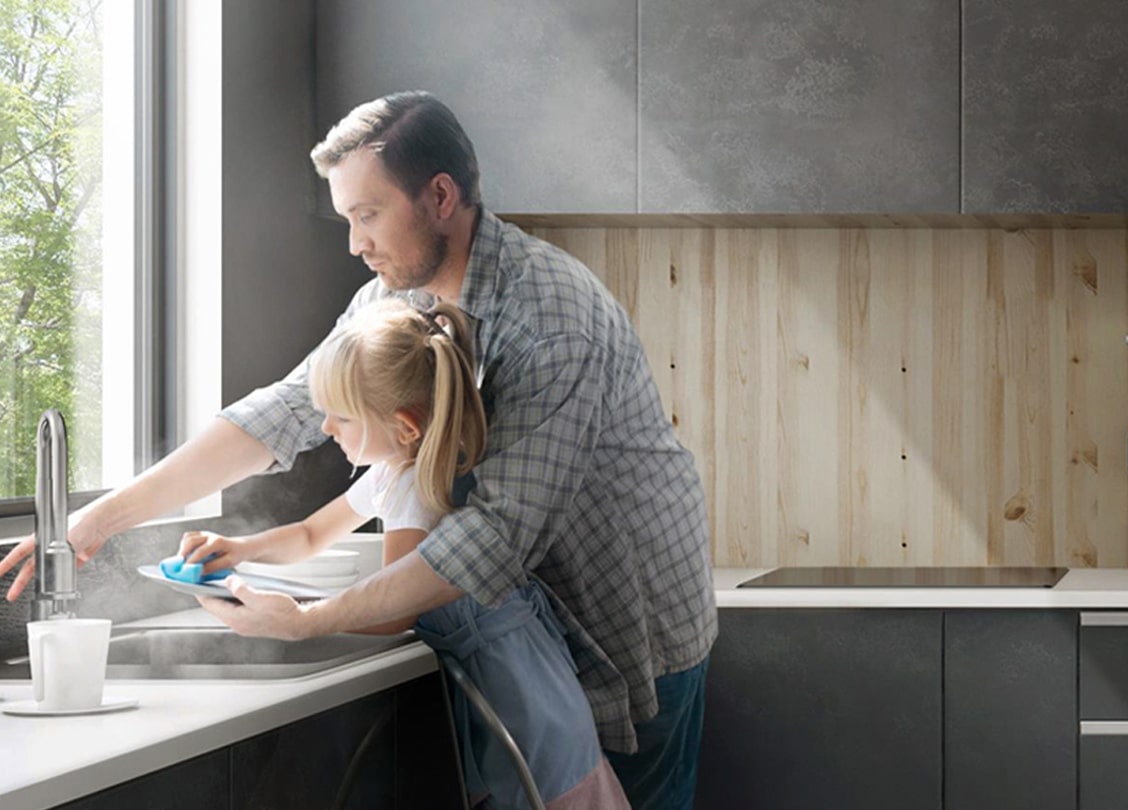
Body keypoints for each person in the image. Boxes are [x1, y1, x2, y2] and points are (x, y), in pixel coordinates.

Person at [0, 91, 716, 810]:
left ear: (440, 196)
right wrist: (97, 521)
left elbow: (492, 536)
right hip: (518, 624)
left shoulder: (552, 318)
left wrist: (310, 619)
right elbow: (286, 409)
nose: (354, 243)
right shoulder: (388, 302)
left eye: (367, 214)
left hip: (623, 621)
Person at [178, 299, 629, 809]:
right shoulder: (396, 468)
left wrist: (302, 619)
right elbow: (309, 534)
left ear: (405, 426)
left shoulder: (414, 488)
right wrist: (238, 549)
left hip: (521, 700)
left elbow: (395, 611)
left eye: (341, 417)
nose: (326, 429)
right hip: (522, 690)